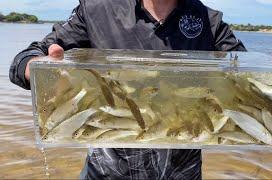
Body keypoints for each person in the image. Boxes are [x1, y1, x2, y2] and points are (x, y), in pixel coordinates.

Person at [9, 0, 246, 179]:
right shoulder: (97, 10)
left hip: (183, 171)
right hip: (107, 171)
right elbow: (25, 60)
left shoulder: (209, 21)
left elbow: (246, 76)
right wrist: (40, 69)